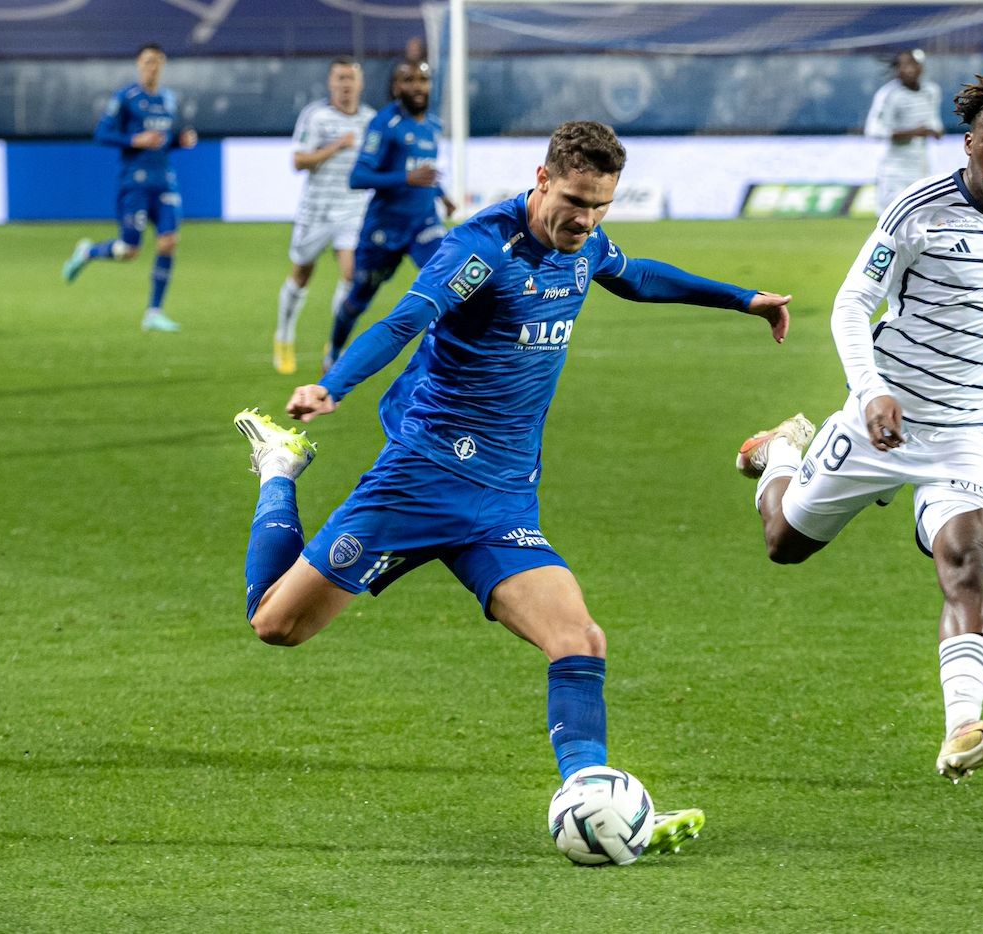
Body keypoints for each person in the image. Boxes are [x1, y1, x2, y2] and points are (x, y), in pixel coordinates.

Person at [233, 120, 792, 856]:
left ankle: (590, 792)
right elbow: (408, 319)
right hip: (420, 479)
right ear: (540, 178)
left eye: (599, 206)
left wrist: (743, 298)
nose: (584, 221)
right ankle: (279, 469)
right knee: (276, 625)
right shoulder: (480, 250)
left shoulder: (584, 242)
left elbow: (636, 275)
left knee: (577, 637)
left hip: (501, 500)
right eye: (571, 201)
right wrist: (331, 385)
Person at [736, 58, 983, 784]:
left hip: (970, 435)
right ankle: (783, 453)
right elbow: (852, 304)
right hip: (885, 421)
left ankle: (960, 729)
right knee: (784, 544)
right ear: (967, 143)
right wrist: (872, 389)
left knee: (968, 562)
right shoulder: (917, 210)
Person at [324, 60, 456, 369]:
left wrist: (442, 196)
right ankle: (333, 352)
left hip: (423, 224)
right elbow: (358, 177)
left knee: (449, 281)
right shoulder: (385, 124)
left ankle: (444, 363)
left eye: (423, 79)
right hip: (384, 229)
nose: (417, 86)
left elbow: (421, 172)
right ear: (396, 88)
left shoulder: (433, 125)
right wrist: (406, 180)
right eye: (408, 80)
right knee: (358, 300)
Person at [62, 43, 197, 333]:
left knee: (169, 241)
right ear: (139, 64)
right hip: (134, 183)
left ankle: (154, 312)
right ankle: (87, 252)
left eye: (158, 62)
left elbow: (162, 140)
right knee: (128, 250)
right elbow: (102, 133)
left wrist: (179, 141)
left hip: (164, 181)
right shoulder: (126, 98)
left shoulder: (169, 100)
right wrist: (135, 140)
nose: (153, 67)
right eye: (148, 61)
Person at [273, 57, 377, 375]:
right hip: (316, 210)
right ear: (331, 83)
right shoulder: (316, 116)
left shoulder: (371, 120)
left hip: (353, 210)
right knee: (302, 273)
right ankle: (284, 335)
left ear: (360, 84)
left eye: (351, 79)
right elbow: (299, 161)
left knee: (350, 274)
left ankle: (335, 345)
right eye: (340, 78)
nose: (346, 84)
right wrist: (336, 146)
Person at [864, 49, 944, 212]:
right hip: (894, 169)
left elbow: (934, 123)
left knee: (919, 219)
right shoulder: (889, 94)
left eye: (912, 64)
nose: (907, 69)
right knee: (891, 219)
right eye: (902, 65)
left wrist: (936, 131)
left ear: (921, 68)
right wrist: (912, 133)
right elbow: (873, 130)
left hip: (921, 166)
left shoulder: (932, 91)